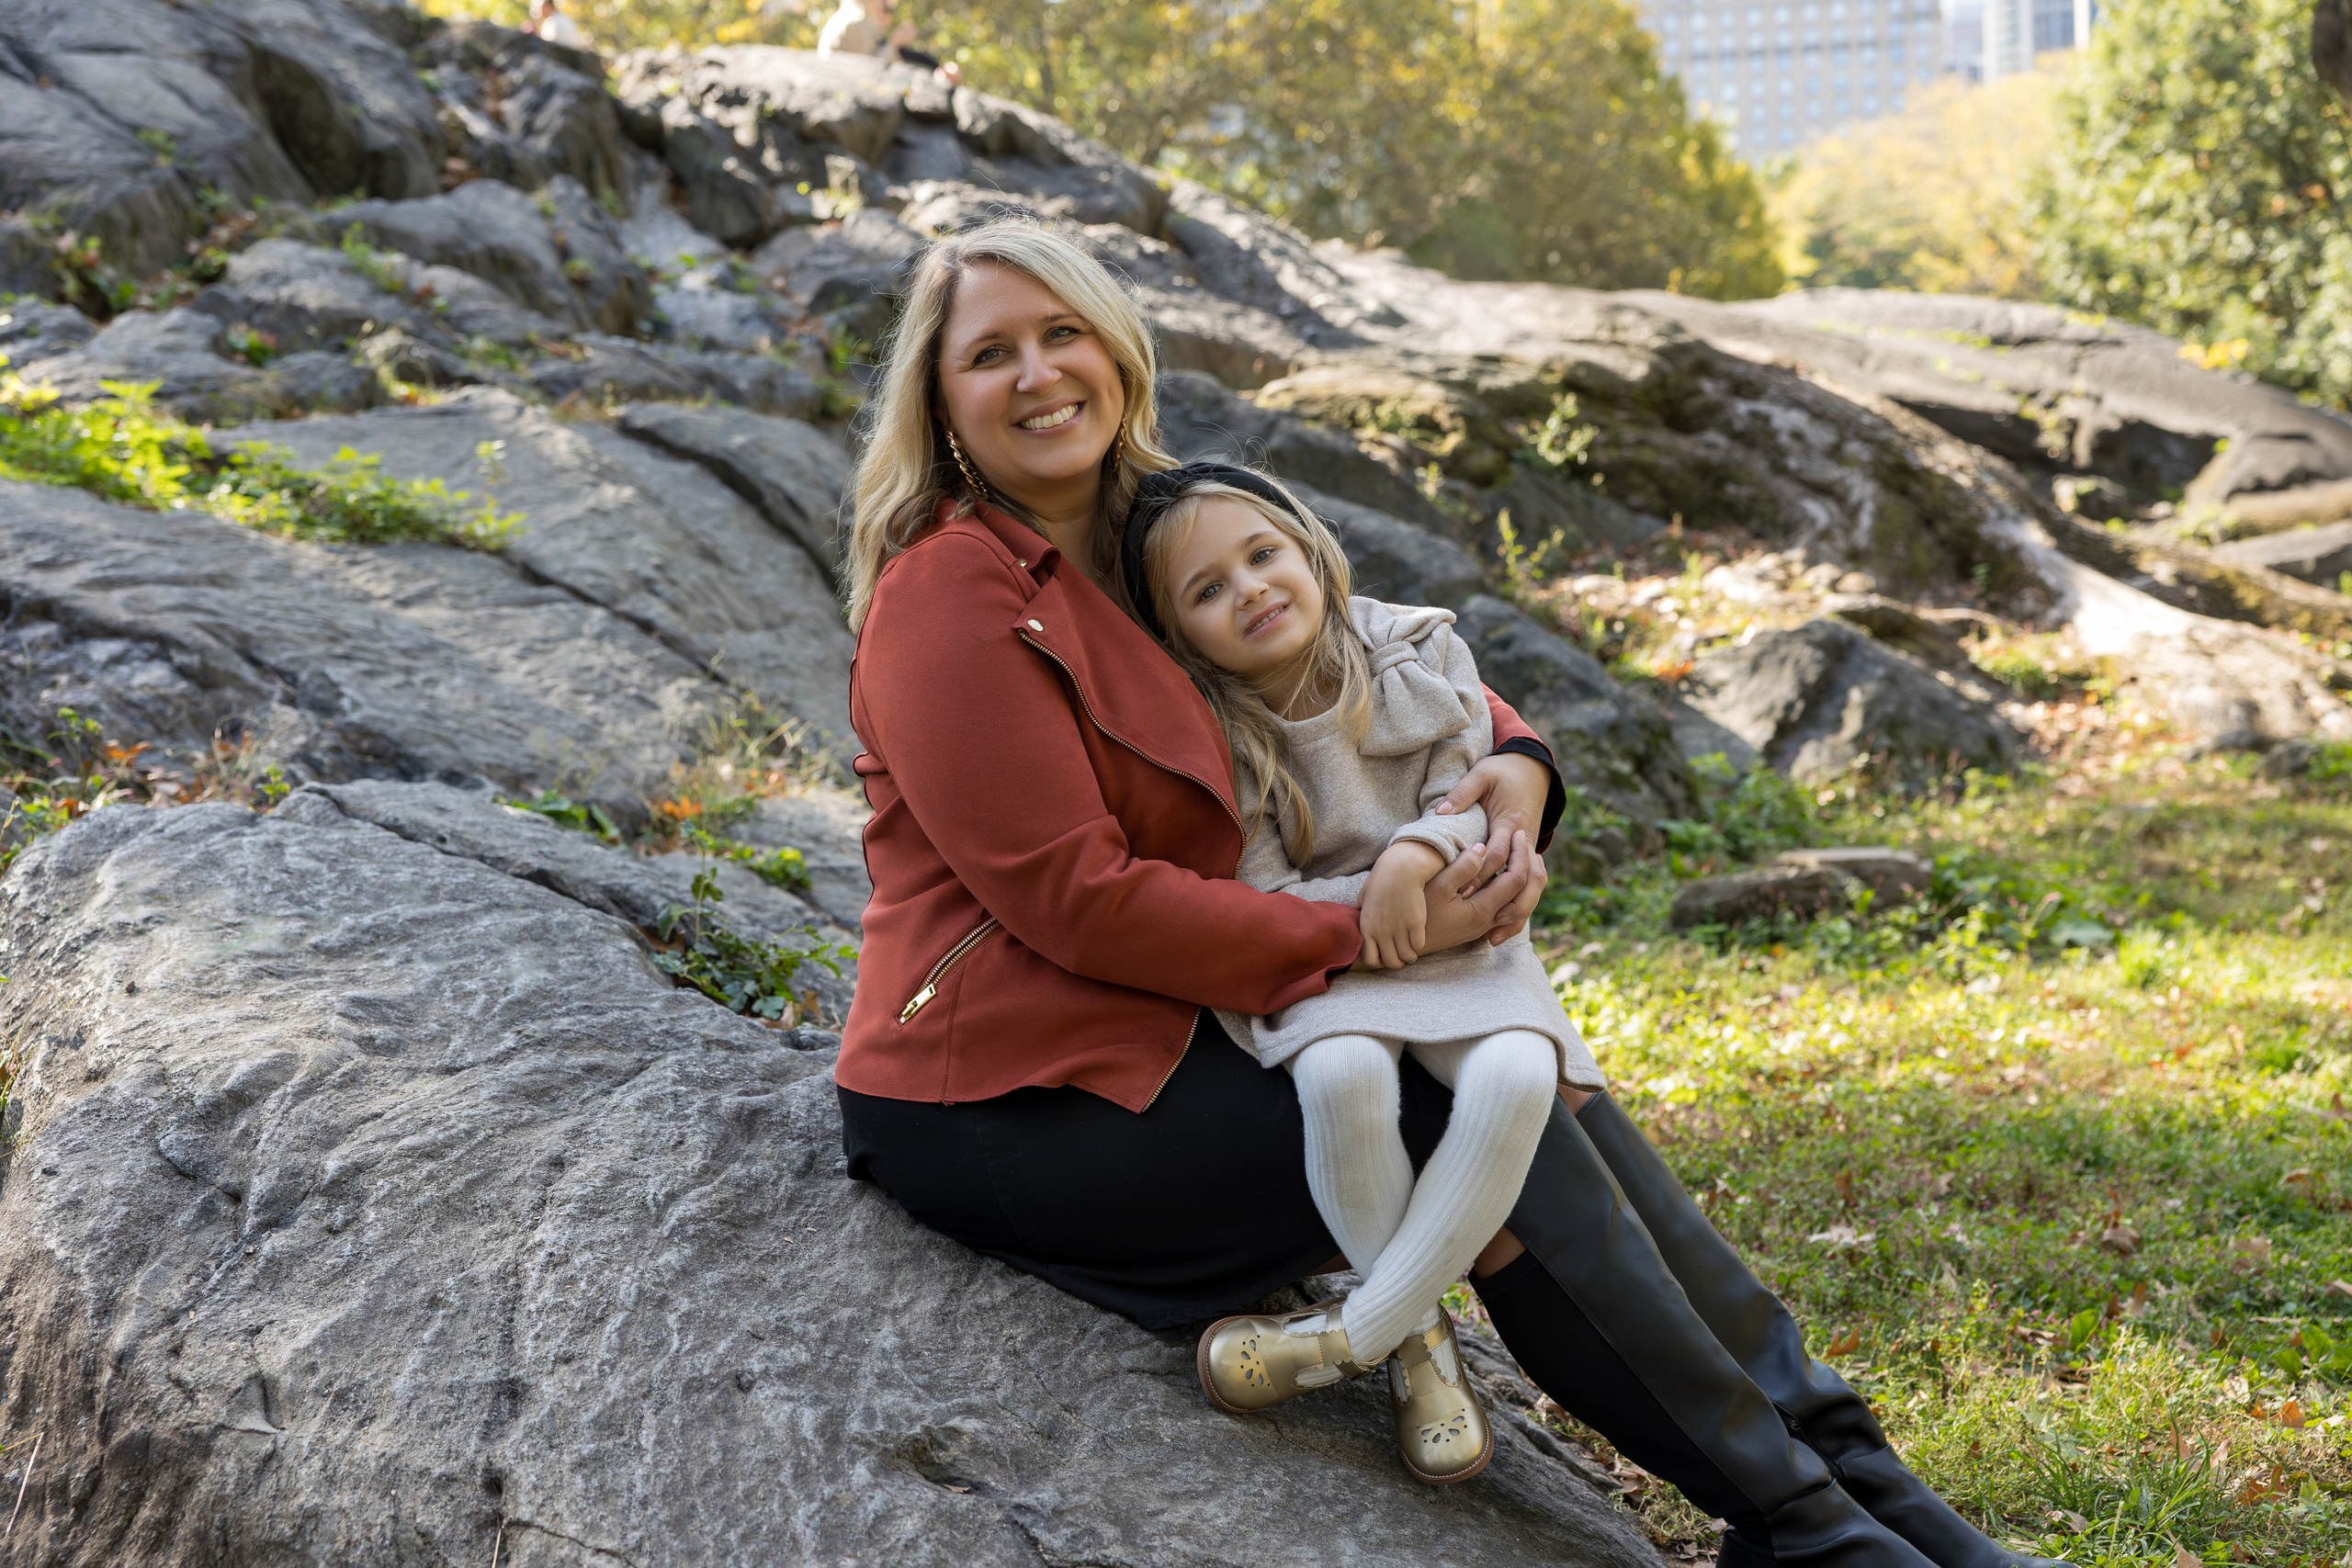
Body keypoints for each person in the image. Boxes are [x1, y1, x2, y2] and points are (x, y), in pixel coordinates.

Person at [835, 214, 2052, 1568]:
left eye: (1062, 331)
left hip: (1196, 1013)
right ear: (939, 406)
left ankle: (1868, 1480)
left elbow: (1384, 664)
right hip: (1023, 1088)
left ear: (1116, 345)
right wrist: (1367, 926)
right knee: (1473, 1107)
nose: (1038, 372)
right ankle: (1815, 1531)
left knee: (1547, 1079)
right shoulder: (949, 595)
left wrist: (1516, 770)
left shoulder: (1170, 525)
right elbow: (1080, 901)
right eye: (989, 353)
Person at [1122, 465, 1604, 1483]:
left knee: (1517, 1078)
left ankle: (1351, 1338)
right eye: (1206, 591)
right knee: (1342, 1082)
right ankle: (1419, 1349)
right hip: (1326, 965)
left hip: (1463, 934)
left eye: (1262, 555)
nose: (1248, 588)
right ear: (1176, 635)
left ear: (1308, 550)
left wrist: (1411, 857)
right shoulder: (1212, 735)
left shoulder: (1416, 650)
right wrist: (1366, 910)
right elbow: (1256, 895)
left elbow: (1474, 788)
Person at [526, 0, 591, 50]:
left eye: (539, 8)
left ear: (546, 5)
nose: (538, 12)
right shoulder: (565, 18)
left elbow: (547, 47)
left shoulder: (551, 23)